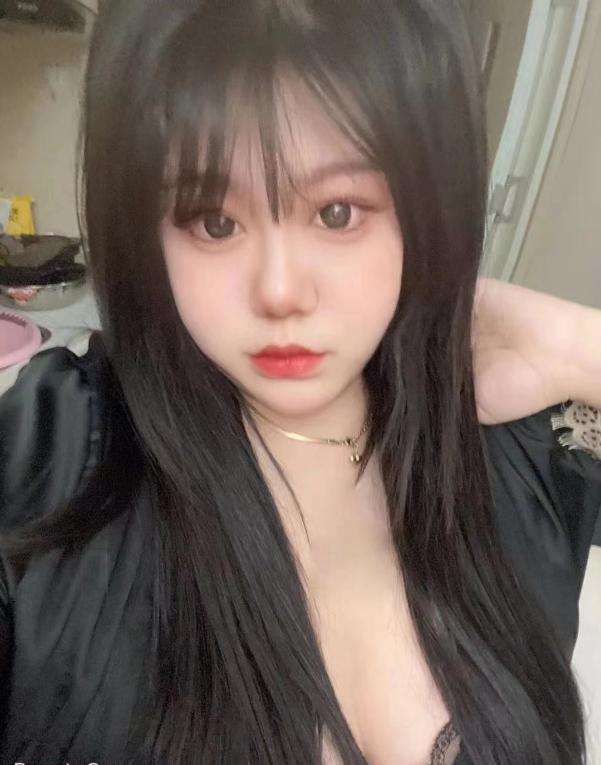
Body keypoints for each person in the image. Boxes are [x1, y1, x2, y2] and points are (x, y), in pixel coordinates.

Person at [0, 1, 600, 763]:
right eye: (214, 222)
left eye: (337, 212)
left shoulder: (522, 436)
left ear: (425, 213)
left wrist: (574, 343)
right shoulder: (55, 460)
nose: (279, 291)